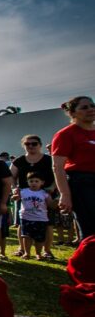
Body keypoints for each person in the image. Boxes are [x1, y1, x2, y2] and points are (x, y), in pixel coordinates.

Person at [52, 95, 95, 243]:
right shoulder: (66, 134)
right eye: (84, 107)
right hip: (83, 185)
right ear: (73, 113)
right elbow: (58, 167)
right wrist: (65, 194)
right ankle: (86, 264)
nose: (90, 109)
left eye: (92, 105)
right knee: (91, 232)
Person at [9, 135, 54, 257]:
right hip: (25, 196)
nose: (31, 146)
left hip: (46, 194)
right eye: (27, 144)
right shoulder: (19, 161)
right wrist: (14, 188)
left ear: (40, 145)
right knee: (21, 223)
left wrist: (53, 187)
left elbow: (58, 173)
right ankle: (22, 249)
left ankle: (46, 250)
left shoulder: (49, 159)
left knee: (48, 224)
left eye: (34, 144)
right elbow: (11, 176)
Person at [18, 172, 57, 260]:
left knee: (39, 238)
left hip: (41, 219)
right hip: (26, 218)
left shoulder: (44, 193)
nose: (34, 183)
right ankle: (27, 253)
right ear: (27, 182)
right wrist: (15, 196)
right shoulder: (23, 191)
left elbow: (51, 205)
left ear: (42, 182)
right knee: (26, 236)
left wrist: (58, 200)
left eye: (36, 181)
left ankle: (38, 254)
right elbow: (16, 197)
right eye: (31, 181)